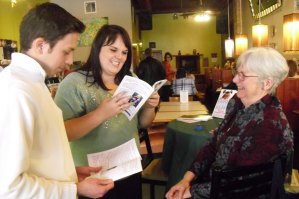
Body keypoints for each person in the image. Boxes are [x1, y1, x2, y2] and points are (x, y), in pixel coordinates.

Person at [0, 3, 114, 198]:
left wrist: (69, 174)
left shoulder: (33, 82)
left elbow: (39, 154)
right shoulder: (16, 91)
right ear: (40, 45)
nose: (70, 60)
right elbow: (9, 187)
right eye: (66, 51)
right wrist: (73, 189)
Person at [166, 47, 294, 199]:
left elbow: (241, 182)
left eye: (242, 75)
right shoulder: (236, 104)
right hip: (216, 184)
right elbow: (213, 145)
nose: (234, 80)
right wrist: (186, 180)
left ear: (266, 83)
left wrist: (190, 191)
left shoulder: (271, 125)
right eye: (236, 73)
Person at [55, 24, 160, 199]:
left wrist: (150, 106)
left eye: (124, 52)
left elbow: (143, 123)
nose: (119, 57)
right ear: (97, 49)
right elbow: (62, 132)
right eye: (113, 49)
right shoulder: (74, 82)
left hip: (129, 169)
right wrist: (101, 113)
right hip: (92, 176)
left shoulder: (131, 79)